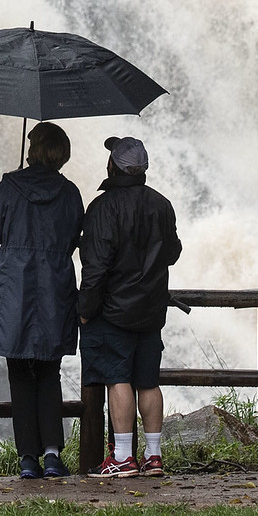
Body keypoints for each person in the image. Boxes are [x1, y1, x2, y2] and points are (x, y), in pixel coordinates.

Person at [0, 121, 86, 480]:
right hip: (54, 288)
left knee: (19, 373)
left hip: (15, 287)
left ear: (34, 149)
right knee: (49, 372)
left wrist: (10, 191)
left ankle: (28, 458)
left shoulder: (10, 186)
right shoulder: (70, 193)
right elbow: (75, 239)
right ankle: (53, 455)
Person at [77, 134, 181, 479]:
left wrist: (86, 308)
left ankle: (122, 457)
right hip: (151, 310)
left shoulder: (103, 207)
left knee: (117, 378)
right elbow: (173, 253)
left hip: (113, 310)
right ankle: (153, 456)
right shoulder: (162, 204)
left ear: (113, 166)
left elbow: (96, 266)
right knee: (148, 381)